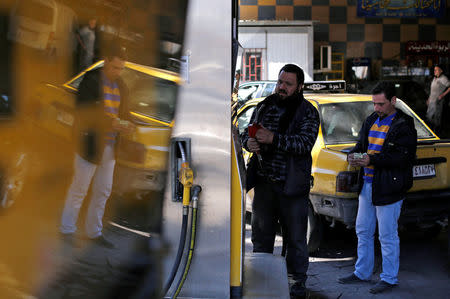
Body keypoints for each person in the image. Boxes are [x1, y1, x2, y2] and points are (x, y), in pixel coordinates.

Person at [241, 64, 320, 298]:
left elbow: (304, 144)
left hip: (293, 186)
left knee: (296, 240)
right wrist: (250, 142)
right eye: (280, 82)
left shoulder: (308, 111)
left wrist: (273, 138)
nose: (282, 87)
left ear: (299, 87)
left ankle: (296, 286)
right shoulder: (265, 106)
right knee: (261, 238)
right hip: (265, 185)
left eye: (288, 84)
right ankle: (261, 282)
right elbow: (247, 132)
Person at [338, 81, 417, 294]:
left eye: (380, 104)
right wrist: (353, 155)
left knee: (387, 235)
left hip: (389, 188)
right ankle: (362, 272)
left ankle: (389, 278)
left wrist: (370, 160)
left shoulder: (404, 124)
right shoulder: (372, 119)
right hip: (368, 185)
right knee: (363, 230)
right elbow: (361, 145)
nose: (376, 108)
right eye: (374, 103)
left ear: (393, 101)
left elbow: (402, 157)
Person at [60, 45, 134, 249]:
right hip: (89, 143)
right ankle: (66, 230)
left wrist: (128, 125)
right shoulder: (90, 81)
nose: (118, 72)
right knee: (80, 188)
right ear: (106, 61)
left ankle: (94, 232)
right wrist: (112, 123)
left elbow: (125, 113)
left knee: (103, 191)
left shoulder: (121, 85)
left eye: (121, 68)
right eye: (115, 67)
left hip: (110, 145)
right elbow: (84, 111)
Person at [426, 64, 450, 133]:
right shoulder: (435, 78)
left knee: (436, 118)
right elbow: (432, 91)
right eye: (434, 70)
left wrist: (442, 95)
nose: (435, 71)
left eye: (436, 70)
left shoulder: (443, 78)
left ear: (441, 71)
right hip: (431, 101)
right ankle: (431, 132)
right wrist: (429, 99)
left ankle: (437, 133)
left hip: (437, 102)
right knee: (429, 117)